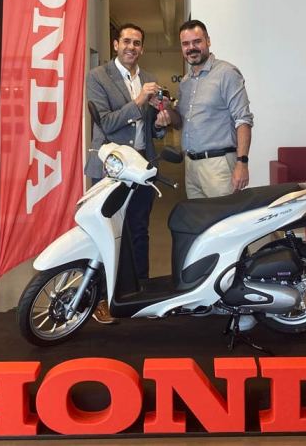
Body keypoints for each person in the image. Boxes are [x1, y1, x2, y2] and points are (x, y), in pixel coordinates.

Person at [85, 23, 165, 323]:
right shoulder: (98, 77)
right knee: (107, 234)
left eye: (137, 43)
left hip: (142, 168)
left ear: (142, 49)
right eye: (127, 41)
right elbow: (105, 123)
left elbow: (151, 130)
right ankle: (102, 298)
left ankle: (140, 294)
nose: (132, 47)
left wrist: (160, 122)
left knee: (139, 231)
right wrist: (139, 101)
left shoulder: (149, 78)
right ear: (116, 44)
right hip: (112, 169)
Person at [157, 20, 253, 199]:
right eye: (186, 44)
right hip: (191, 167)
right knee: (199, 216)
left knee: (224, 216)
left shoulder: (226, 73)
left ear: (208, 41)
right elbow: (180, 123)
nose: (191, 48)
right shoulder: (185, 82)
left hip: (219, 166)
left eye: (197, 41)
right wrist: (167, 109)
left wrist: (242, 163)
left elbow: (243, 120)